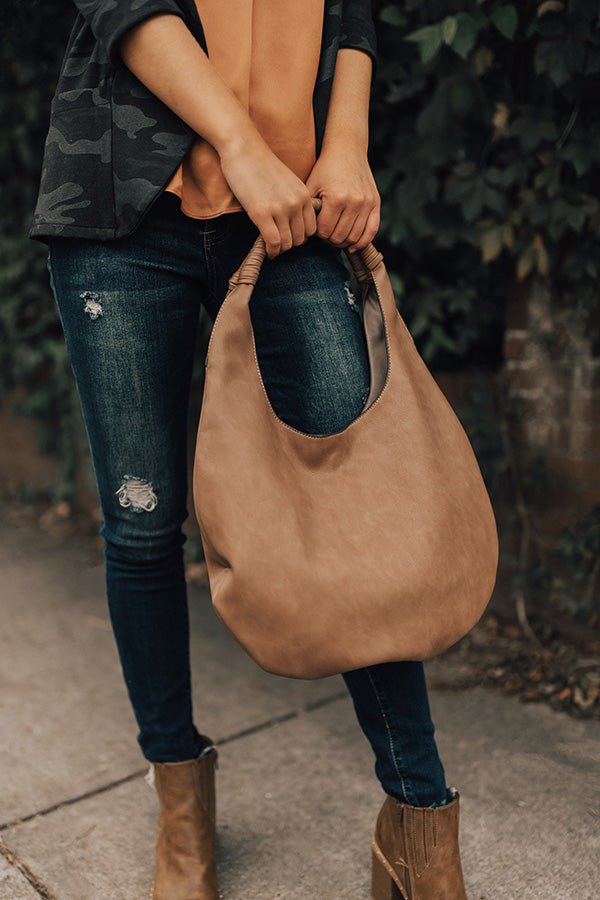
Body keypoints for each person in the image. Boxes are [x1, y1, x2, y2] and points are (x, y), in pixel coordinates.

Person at [30, 2, 469, 898]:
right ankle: (181, 804)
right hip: (124, 204)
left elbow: (350, 12)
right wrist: (236, 142)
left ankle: (419, 826)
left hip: (299, 204)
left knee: (353, 523)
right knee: (143, 521)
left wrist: (345, 142)